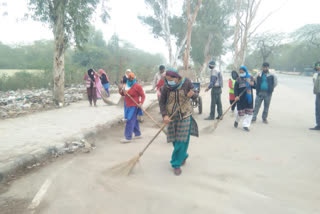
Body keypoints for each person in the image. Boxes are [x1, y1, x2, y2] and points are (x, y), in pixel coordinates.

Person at [159, 68, 199, 176]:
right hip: (171, 117)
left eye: (171, 79)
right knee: (174, 140)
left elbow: (196, 96)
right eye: (167, 79)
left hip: (185, 116)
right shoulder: (166, 87)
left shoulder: (186, 82)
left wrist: (192, 95)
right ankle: (183, 155)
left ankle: (176, 164)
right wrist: (165, 115)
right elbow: (162, 102)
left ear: (177, 78)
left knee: (181, 141)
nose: (169, 81)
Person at [118, 72, 145, 143]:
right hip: (127, 105)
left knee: (130, 120)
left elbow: (143, 96)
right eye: (129, 79)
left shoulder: (137, 86)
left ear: (134, 79)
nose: (130, 80)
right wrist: (120, 89)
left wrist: (141, 103)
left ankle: (128, 137)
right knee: (134, 119)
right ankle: (137, 134)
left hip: (134, 105)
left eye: (132, 79)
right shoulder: (126, 85)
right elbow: (122, 94)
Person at [234, 66, 255, 132]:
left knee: (249, 113)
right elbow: (235, 89)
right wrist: (236, 96)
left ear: (245, 71)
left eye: (242, 72)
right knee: (240, 112)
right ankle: (237, 120)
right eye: (240, 72)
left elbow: (255, 86)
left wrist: (252, 84)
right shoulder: (238, 79)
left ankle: (245, 125)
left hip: (249, 98)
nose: (241, 73)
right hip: (240, 98)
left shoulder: (250, 78)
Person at [310, 61, 320, 130]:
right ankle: (318, 124)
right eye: (317, 66)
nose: (318, 67)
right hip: (318, 93)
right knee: (318, 109)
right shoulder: (316, 74)